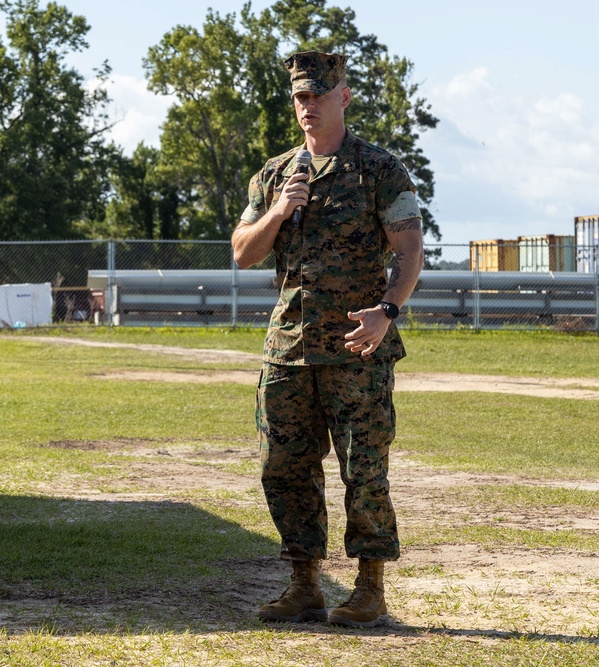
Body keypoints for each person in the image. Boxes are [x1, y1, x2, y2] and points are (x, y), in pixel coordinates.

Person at [231, 51, 424, 627]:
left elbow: (411, 251)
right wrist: (280, 210)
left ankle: (368, 587)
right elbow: (243, 252)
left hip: (356, 350)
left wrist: (388, 310)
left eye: (318, 94)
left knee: (364, 469)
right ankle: (304, 583)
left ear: (343, 96)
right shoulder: (274, 174)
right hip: (288, 349)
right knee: (284, 468)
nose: (308, 106)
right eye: (299, 97)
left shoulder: (380, 170)